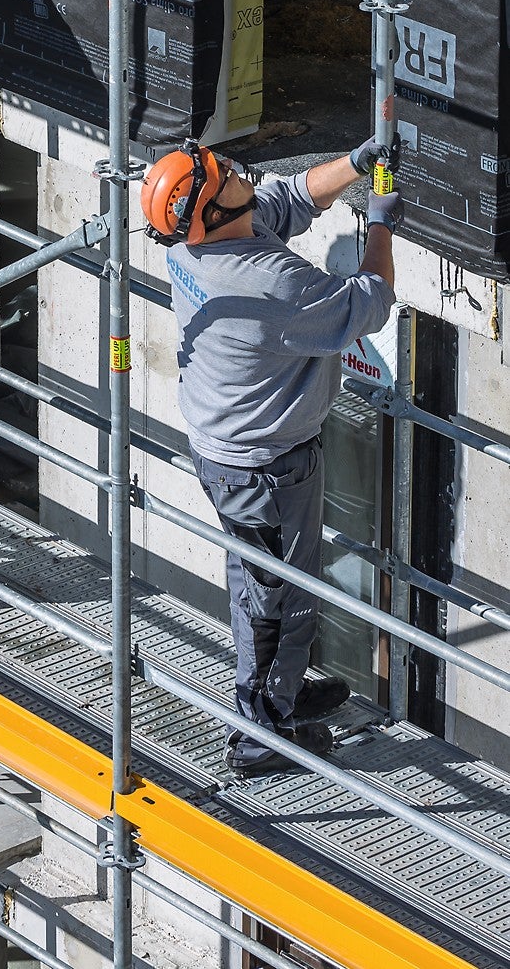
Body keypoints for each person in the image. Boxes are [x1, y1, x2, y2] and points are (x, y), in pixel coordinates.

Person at [141, 136, 403, 775]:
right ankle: (264, 737)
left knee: (258, 586)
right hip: (265, 466)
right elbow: (369, 301)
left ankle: (268, 695)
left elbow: (281, 203)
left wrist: (355, 164)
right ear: (212, 212)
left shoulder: (198, 242)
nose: (234, 170)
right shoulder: (271, 285)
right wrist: (380, 224)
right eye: (221, 174)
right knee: (280, 600)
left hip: (230, 450)